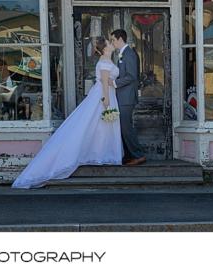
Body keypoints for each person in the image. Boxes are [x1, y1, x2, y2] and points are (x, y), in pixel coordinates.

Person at [11, 37, 122, 187]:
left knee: (100, 126)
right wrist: (106, 100)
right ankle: (98, 154)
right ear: (104, 48)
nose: (112, 44)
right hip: (103, 95)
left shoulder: (107, 59)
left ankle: (102, 153)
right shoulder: (104, 61)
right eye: (109, 43)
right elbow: (103, 81)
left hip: (107, 93)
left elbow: (107, 80)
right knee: (95, 124)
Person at [111, 29, 146, 166]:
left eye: (113, 40)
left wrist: (114, 83)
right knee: (123, 127)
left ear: (120, 39)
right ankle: (129, 156)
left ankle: (139, 155)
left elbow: (131, 76)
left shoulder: (129, 54)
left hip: (127, 97)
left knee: (126, 127)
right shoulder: (122, 54)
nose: (112, 43)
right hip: (122, 97)